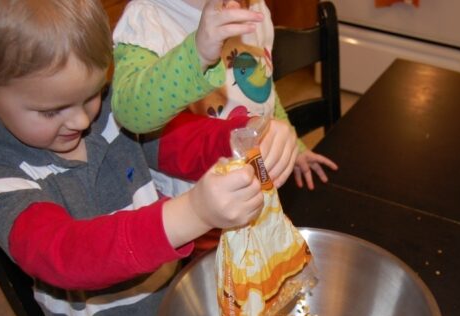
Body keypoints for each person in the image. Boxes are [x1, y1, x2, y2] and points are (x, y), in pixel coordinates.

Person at [0, 0, 265, 316]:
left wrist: (240, 139)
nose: (81, 121)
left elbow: (174, 144)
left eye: (92, 94)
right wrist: (192, 213)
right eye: (50, 110)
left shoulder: (109, 113)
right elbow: (65, 254)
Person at [112, 0, 338, 195]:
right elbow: (129, 113)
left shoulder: (254, 7)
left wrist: (294, 147)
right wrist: (197, 54)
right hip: (195, 210)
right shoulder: (148, 19)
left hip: (254, 186)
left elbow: (264, 95)